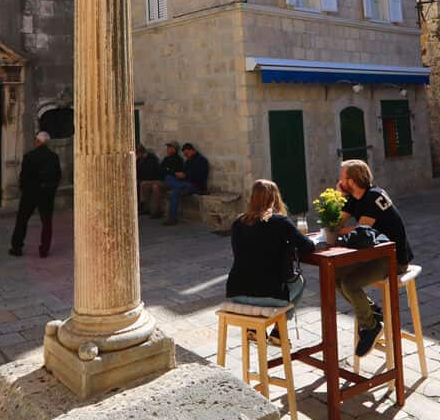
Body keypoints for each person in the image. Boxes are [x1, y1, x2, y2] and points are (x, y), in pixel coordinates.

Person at [335, 159, 413, 357]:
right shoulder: (354, 197)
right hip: (374, 255)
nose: (339, 180)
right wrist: (337, 199)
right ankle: (372, 313)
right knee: (335, 278)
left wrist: (342, 230)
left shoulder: (373, 197)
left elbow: (360, 233)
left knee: (350, 283)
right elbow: (336, 224)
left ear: (352, 181)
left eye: (342, 177)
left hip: (393, 259)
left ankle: (371, 327)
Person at [226, 180, 315, 341]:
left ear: (252, 198)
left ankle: (254, 328)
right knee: (299, 281)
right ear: (275, 198)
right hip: (269, 294)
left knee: (257, 280)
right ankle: (279, 332)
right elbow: (308, 247)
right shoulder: (280, 222)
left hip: (236, 292)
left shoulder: (238, 223)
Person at [10, 131, 62, 258]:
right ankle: (44, 250)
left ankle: (17, 247)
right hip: (46, 194)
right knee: (46, 222)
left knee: (22, 219)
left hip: (30, 193)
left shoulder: (29, 156)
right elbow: (58, 176)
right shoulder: (54, 157)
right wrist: (51, 189)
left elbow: (23, 176)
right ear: (47, 143)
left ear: (37, 141)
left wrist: (24, 189)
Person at [163, 142, 208, 226]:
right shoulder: (188, 161)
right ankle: (180, 186)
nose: (185, 156)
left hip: (196, 186)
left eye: (186, 153)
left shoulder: (201, 161)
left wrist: (185, 175)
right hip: (186, 184)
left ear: (191, 151)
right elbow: (185, 172)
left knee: (174, 192)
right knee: (169, 178)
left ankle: (172, 219)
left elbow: (200, 177)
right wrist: (181, 175)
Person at [146, 141, 184, 219]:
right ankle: (146, 207)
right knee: (144, 184)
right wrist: (166, 170)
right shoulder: (166, 158)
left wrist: (167, 170)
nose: (167, 149)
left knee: (156, 186)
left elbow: (173, 172)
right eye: (168, 147)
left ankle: (157, 210)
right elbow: (160, 169)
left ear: (174, 149)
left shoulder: (178, 160)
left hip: (170, 182)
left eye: (169, 148)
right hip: (162, 179)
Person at [136, 144, 161, 215]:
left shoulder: (151, 159)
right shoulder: (139, 160)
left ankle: (142, 205)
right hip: (144, 179)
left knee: (141, 184)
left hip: (152, 179)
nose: (137, 156)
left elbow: (149, 172)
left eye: (137, 154)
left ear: (141, 152)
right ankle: (141, 205)